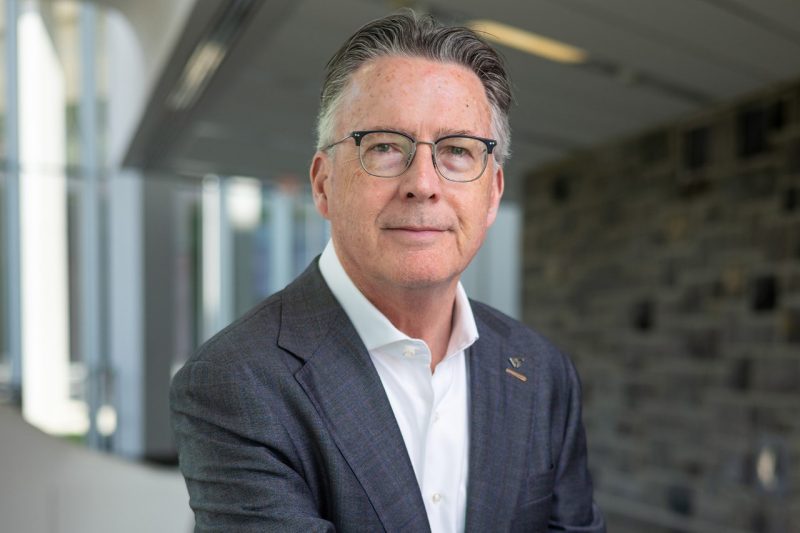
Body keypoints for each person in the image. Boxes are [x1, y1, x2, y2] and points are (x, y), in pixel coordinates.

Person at [171, 10, 605, 533]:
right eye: (383, 146)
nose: (423, 183)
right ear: (324, 183)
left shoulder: (542, 371)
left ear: (492, 194)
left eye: (458, 151)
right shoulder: (235, 382)